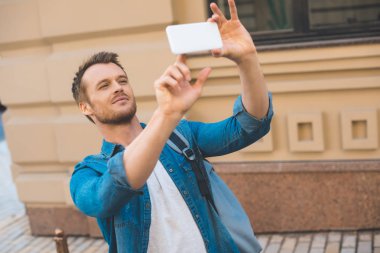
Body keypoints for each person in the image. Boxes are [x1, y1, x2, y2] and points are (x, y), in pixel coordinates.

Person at [70, 0, 273, 252]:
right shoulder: (88, 173)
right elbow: (107, 195)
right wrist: (166, 113)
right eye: (104, 85)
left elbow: (249, 126)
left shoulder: (182, 136)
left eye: (122, 80)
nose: (118, 87)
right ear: (85, 107)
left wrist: (248, 59)